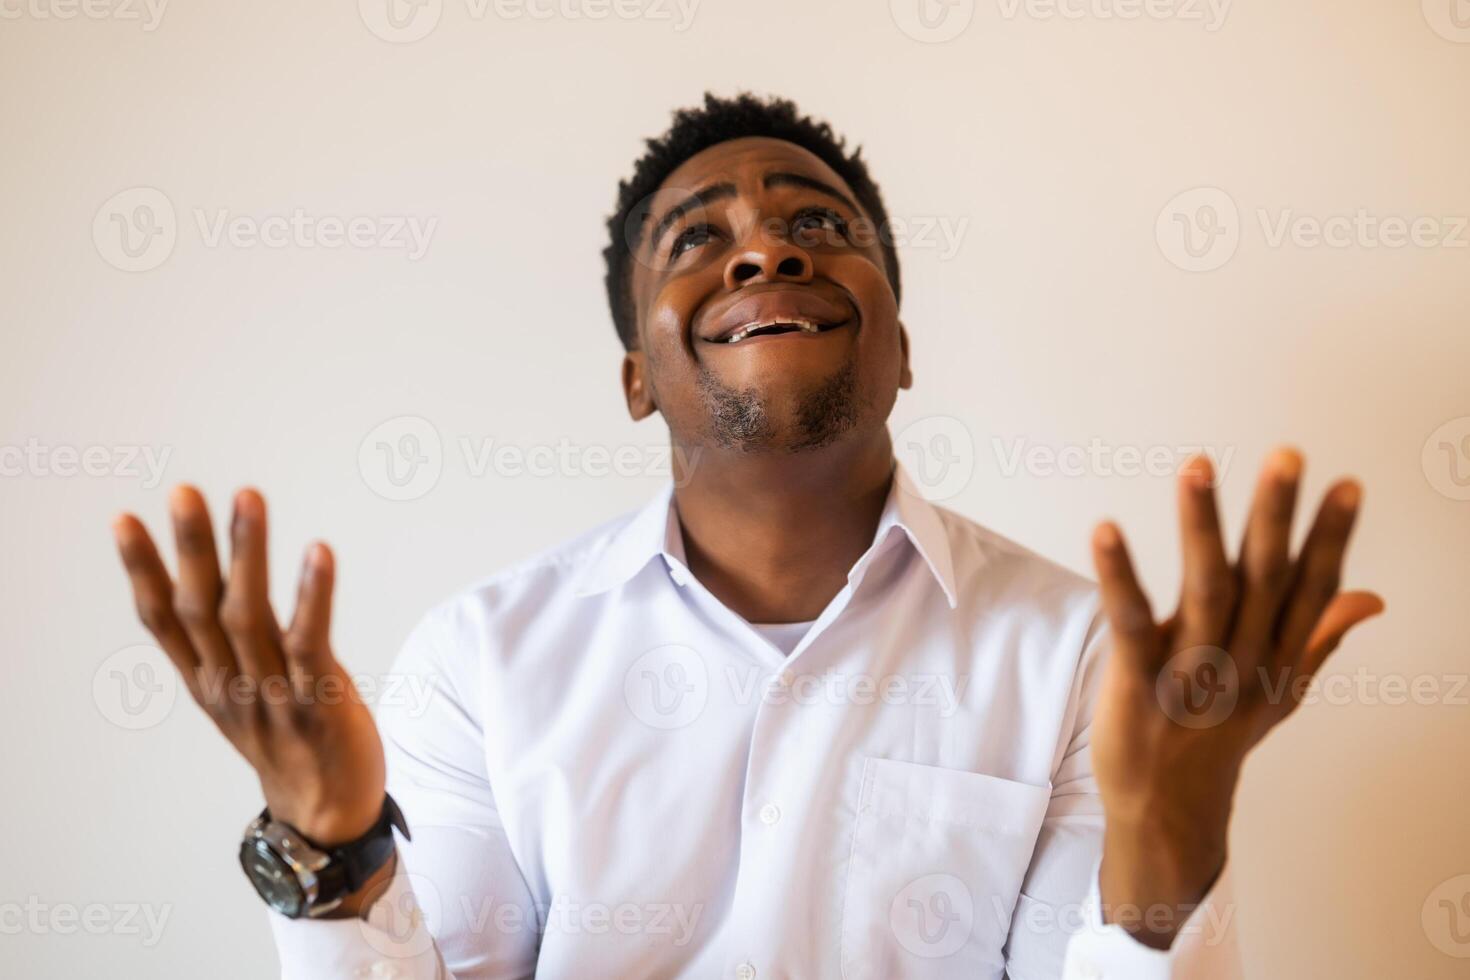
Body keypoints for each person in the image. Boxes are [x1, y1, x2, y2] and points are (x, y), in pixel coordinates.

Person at [110, 93, 1383, 979]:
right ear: (637, 379)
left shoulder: (1078, 655)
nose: (765, 245)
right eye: (699, 237)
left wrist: (1179, 831)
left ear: (903, 344)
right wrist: (335, 840)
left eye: (819, 222)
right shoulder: (481, 659)